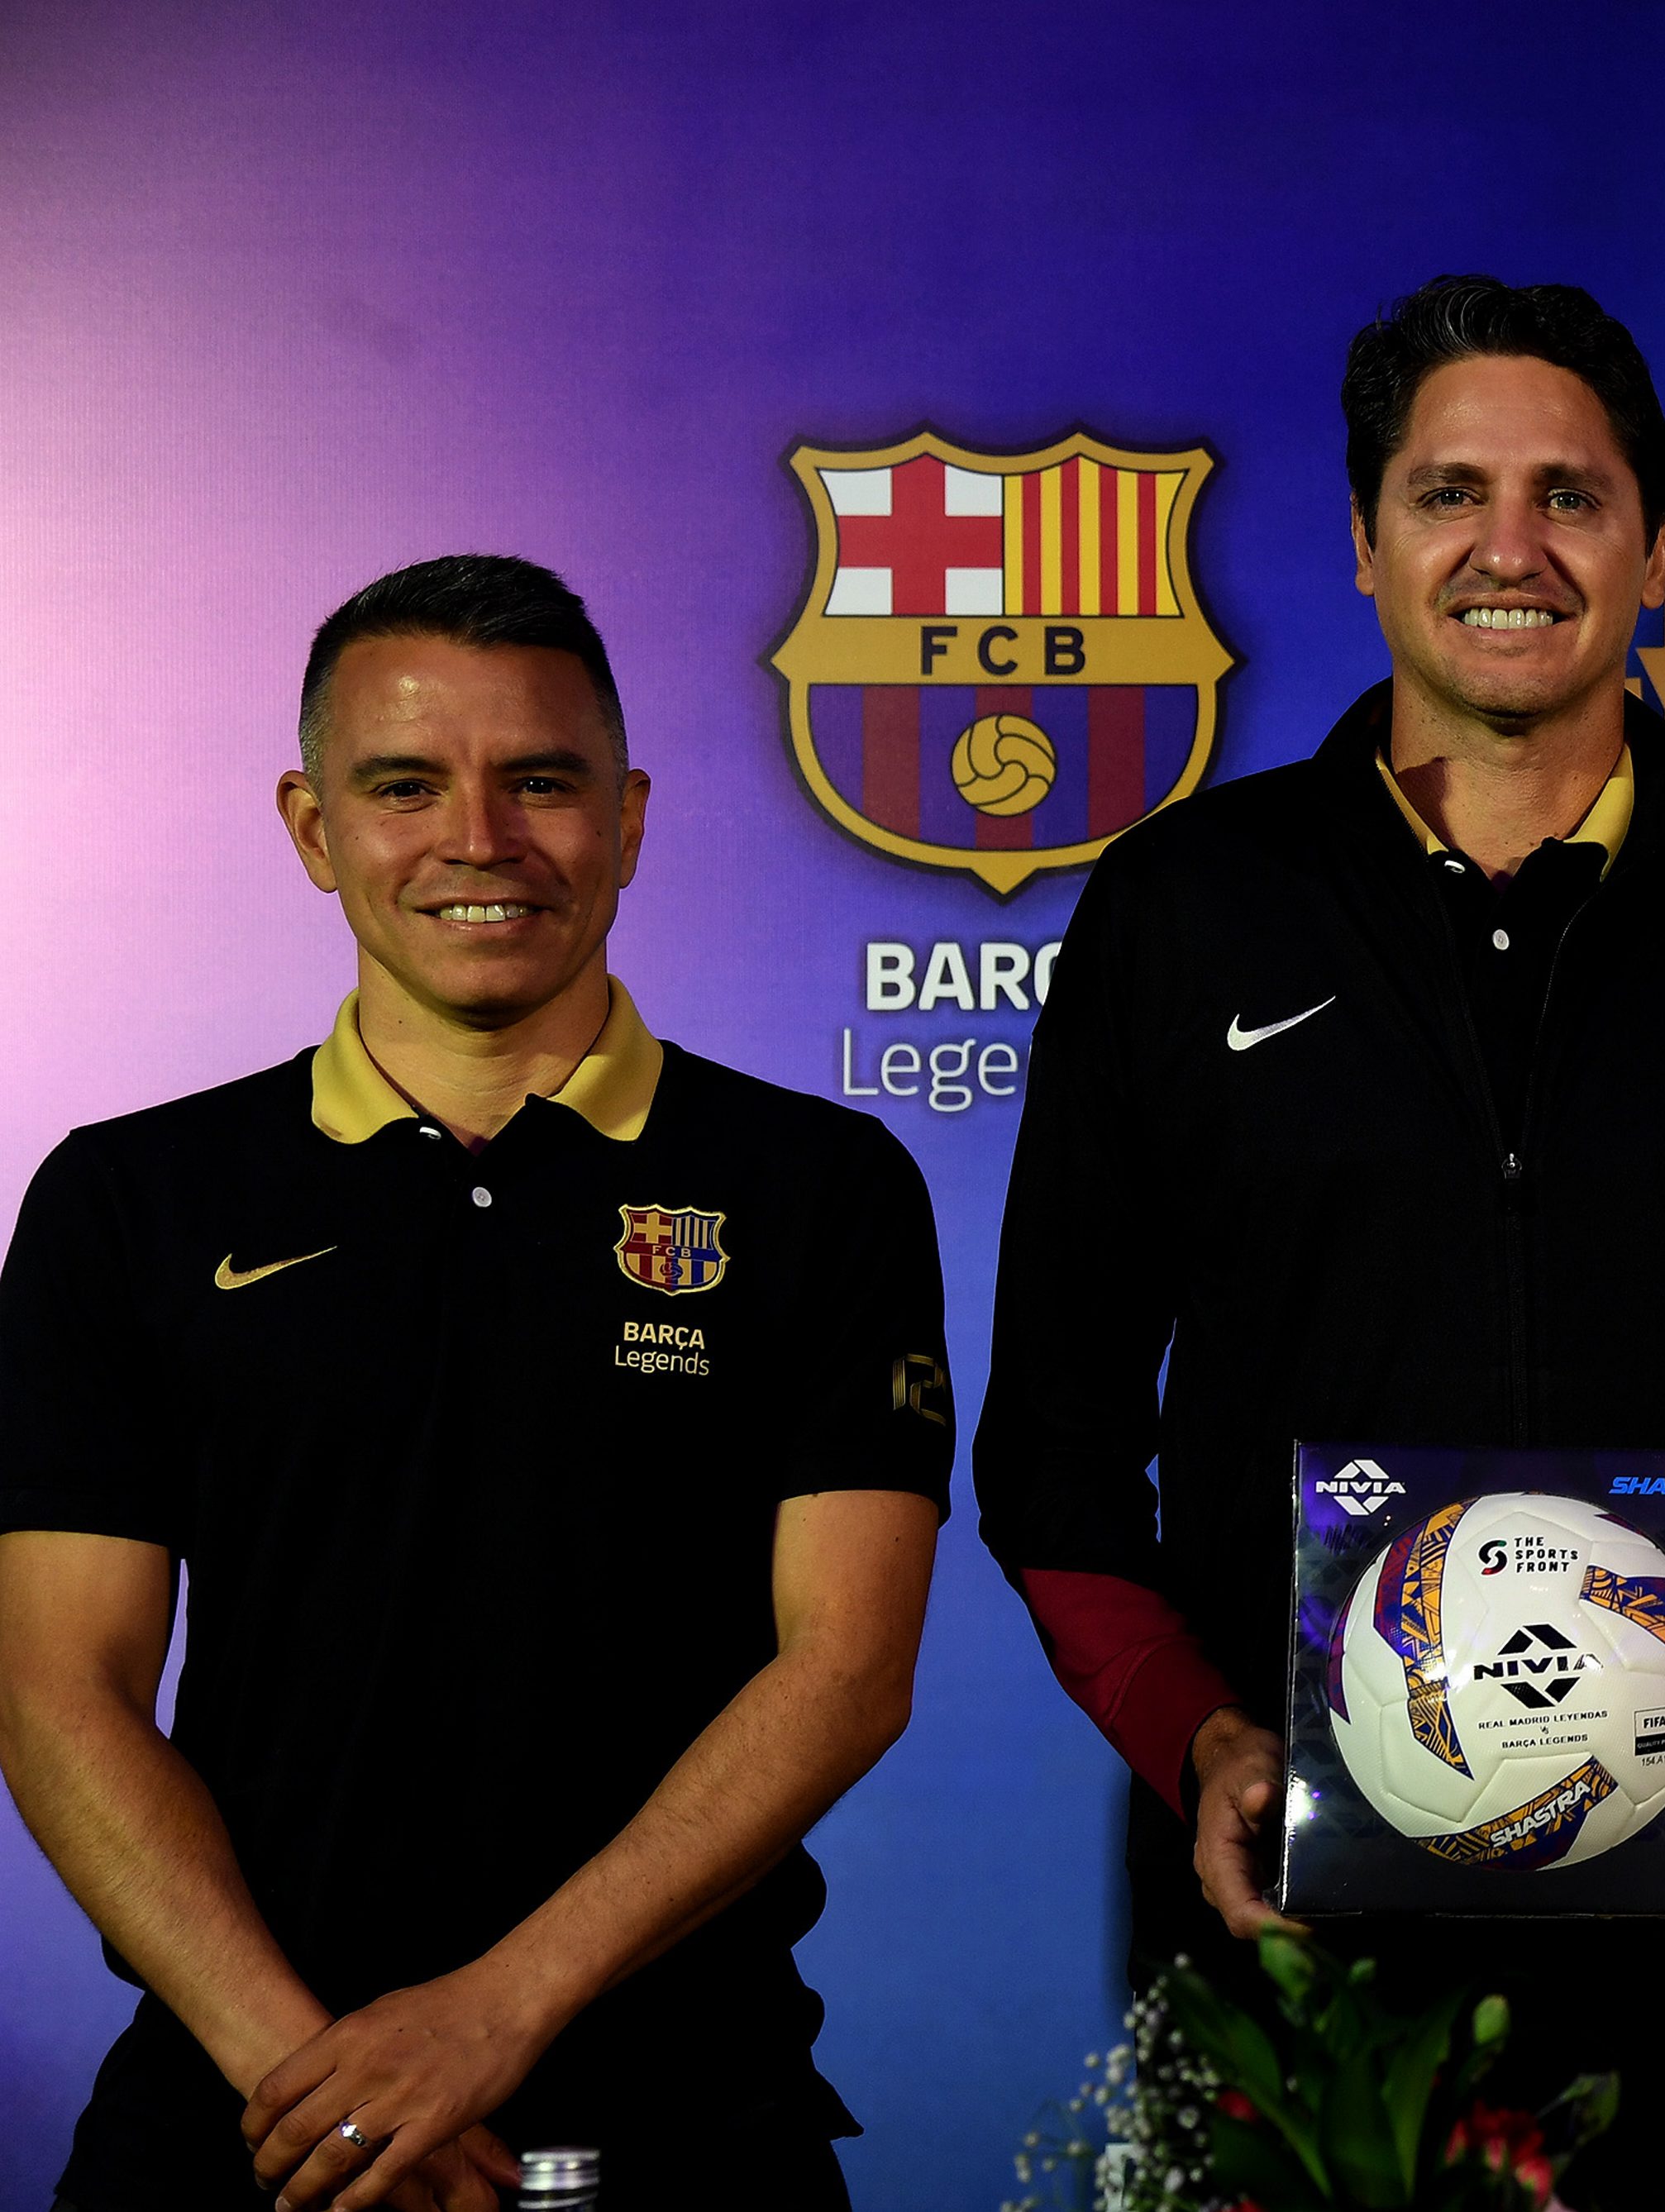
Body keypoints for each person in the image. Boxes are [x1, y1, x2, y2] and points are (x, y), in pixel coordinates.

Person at [971, 275, 1665, 2211]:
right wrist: (1199, 1748)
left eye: (1569, 496)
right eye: (1450, 494)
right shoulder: (1184, 907)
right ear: (1363, 543)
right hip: (1295, 1945)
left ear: (1657, 548)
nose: (1511, 548)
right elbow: (1058, 1444)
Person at [0, 555, 952, 2212]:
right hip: (246, 2112)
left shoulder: (820, 1187)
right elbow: (56, 1689)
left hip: (692, 2113)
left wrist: (492, 2017)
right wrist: (324, 2084)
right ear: (312, 829)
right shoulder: (128, 1199)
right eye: (404, 787)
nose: (479, 840)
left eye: (542, 782)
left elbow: (850, 1669)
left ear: (630, 821)